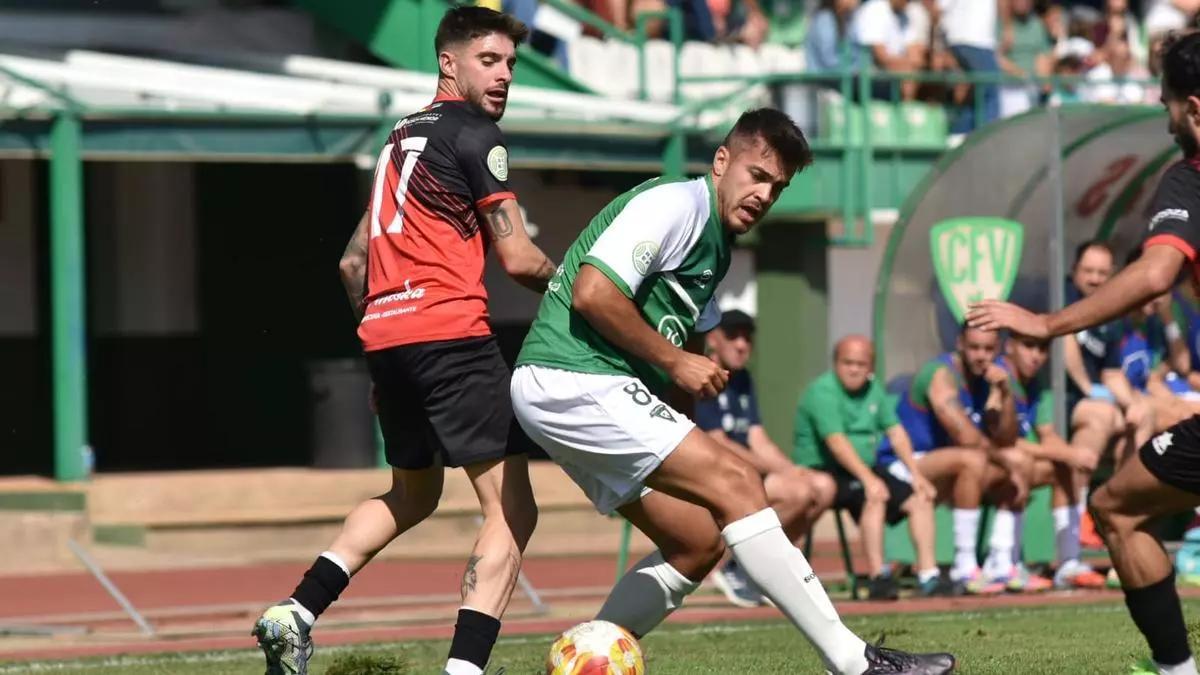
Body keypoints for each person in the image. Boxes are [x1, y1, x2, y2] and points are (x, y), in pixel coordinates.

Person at [511, 108, 955, 674]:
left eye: (778, 187)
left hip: (580, 388)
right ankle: (854, 663)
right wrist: (676, 362)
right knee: (741, 480)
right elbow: (593, 294)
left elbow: (689, 359)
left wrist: (684, 390)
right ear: (722, 161)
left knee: (698, 542)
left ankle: (585, 664)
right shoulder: (675, 204)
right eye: (757, 175)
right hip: (572, 376)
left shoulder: (716, 247)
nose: (764, 194)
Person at [251, 8, 558, 675]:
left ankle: (296, 611)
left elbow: (351, 263)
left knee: (413, 495)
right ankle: (464, 669)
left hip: (389, 338)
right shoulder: (476, 134)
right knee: (512, 508)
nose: (504, 75)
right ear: (448, 63)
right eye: (489, 60)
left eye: (510, 63)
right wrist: (580, 288)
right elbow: (520, 260)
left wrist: (384, 347)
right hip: (450, 334)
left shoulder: (397, 140)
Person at [968, 31, 1200, 675]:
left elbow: (1155, 273)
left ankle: (1177, 670)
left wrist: (1046, 324)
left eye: (1167, 103)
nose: (1166, 119)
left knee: (1116, 508)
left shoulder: (1190, 177)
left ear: (1194, 109)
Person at [794, 335, 957, 600]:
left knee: (921, 497)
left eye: (861, 364)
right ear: (835, 364)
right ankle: (878, 577)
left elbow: (896, 432)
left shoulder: (874, 389)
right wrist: (868, 480)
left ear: (871, 367)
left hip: (867, 467)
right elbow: (837, 443)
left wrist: (916, 474)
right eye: (848, 363)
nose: (854, 370)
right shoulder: (822, 392)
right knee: (876, 494)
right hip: (825, 470)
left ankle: (929, 575)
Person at [696, 309, 835, 608]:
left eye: (747, 338)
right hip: (713, 479)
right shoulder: (703, 374)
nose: (742, 345)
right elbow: (718, 443)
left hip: (745, 476)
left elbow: (757, 438)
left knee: (823, 486)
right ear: (713, 339)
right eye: (733, 337)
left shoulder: (743, 379)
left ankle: (766, 570)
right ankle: (735, 567)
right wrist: (782, 475)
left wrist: (791, 470)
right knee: (797, 492)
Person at [875, 324, 1016, 594]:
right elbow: (966, 437)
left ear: (998, 348)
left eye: (988, 349)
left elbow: (1007, 438)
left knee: (1014, 472)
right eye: (974, 347)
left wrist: (1005, 393)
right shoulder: (940, 374)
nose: (981, 356)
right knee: (974, 461)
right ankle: (965, 565)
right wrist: (1005, 458)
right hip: (902, 465)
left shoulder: (988, 379)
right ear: (960, 343)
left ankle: (1002, 563)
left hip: (944, 465)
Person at [990, 334, 1108, 590]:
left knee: (1063, 468)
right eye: (1028, 345)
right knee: (1021, 462)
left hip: (1010, 460)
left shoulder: (1035, 383)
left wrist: (1073, 454)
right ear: (1009, 345)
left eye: (1042, 349)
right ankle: (1001, 564)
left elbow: (1047, 434)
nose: (1036, 355)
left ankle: (1068, 563)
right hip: (982, 459)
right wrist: (1069, 454)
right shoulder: (998, 377)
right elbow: (1002, 441)